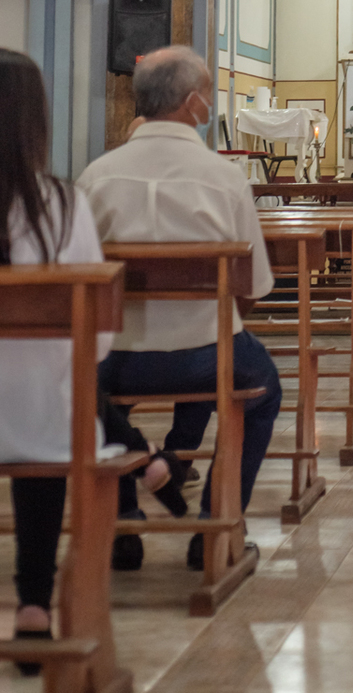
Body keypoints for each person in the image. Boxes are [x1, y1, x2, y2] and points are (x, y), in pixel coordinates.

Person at [0, 50, 186, 665]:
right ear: (35, 121)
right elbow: (97, 338)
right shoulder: (61, 205)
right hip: (44, 424)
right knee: (58, 405)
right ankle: (34, 602)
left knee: (56, 399)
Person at [77, 46, 280, 572]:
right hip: (204, 355)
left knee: (98, 398)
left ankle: (124, 523)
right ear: (193, 103)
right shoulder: (225, 178)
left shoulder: (95, 177)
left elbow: (80, 281)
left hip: (114, 358)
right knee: (262, 388)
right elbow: (253, 288)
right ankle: (212, 527)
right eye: (209, 94)